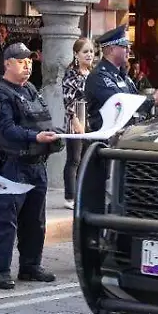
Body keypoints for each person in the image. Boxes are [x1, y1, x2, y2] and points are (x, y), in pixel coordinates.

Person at [0, 42, 62, 290]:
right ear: (7, 64)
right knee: (7, 220)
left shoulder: (30, 89)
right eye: (21, 62)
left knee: (35, 220)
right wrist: (35, 137)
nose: (27, 66)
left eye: (29, 61)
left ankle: (30, 266)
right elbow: (6, 130)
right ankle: (0, 271)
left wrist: (56, 135)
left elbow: (41, 121)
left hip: (36, 164)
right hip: (12, 165)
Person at [85, 25, 158, 132]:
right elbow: (120, 104)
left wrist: (153, 96)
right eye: (124, 46)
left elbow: (135, 98)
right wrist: (153, 100)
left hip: (126, 133)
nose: (129, 50)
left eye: (129, 46)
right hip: (106, 137)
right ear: (112, 49)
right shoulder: (99, 76)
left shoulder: (123, 76)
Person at [62, 37, 95, 209]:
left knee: (86, 160)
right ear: (76, 54)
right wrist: (75, 121)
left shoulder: (92, 73)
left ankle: (83, 195)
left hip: (91, 120)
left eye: (91, 51)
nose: (89, 55)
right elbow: (68, 100)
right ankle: (70, 197)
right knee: (74, 159)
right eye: (85, 51)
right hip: (76, 118)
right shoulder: (71, 74)